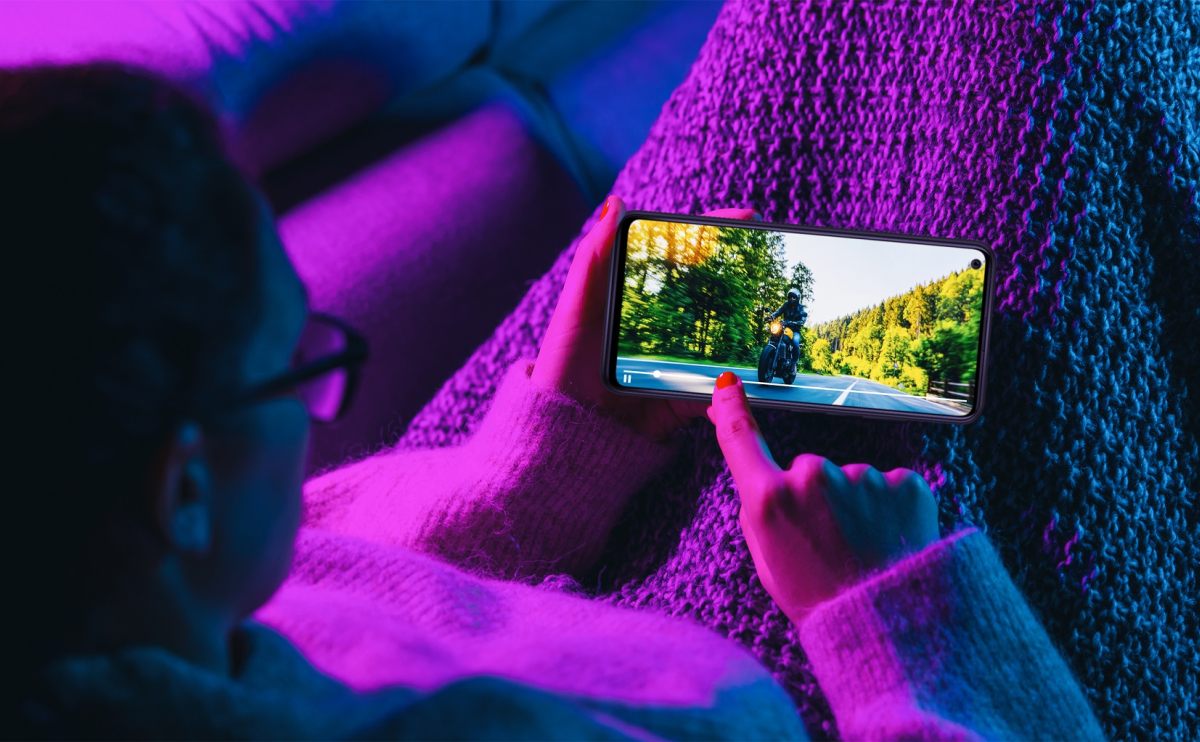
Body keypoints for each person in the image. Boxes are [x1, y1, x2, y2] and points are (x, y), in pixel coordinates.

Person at [5, 64, 1103, 740]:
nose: (320, 412)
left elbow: (327, 567)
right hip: (874, 679)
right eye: (295, 363)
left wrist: (555, 448)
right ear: (184, 491)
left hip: (560, 559)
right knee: (1068, 113)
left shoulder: (97, 591)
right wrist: (892, 611)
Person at [768, 287, 807, 369]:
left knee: (795, 343)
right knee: (774, 336)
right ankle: (772, 357)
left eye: (794, 297)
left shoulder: (800, 308)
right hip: (784, 328)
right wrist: (771, 317)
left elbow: (803, 319)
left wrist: (797, 322)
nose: (791, 299)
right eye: (790, 297)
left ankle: (793, 364)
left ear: (797, 298)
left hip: (795, 330)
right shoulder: (786, 305)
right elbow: (778, 312)